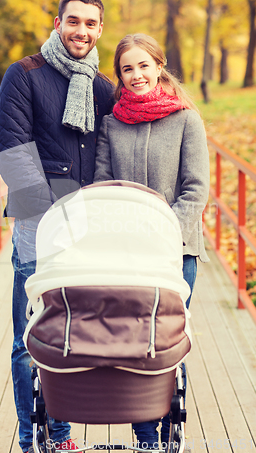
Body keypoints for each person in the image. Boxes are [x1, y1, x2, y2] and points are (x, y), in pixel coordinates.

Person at [0, 0, 115, 453]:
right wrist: (55, 216)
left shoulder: (103, 87)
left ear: (100, 29)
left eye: (90, 23)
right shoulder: (24, 75)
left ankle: (61, 436)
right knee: (31, 337)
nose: (81, 31)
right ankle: (32, 440)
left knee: (74, 332)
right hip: (37, 224)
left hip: (89, 224)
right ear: (58, 22)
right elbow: (13, 153)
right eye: (73, 21)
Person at [94, 33, 210, 449]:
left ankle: (168, 431)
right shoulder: (112, 122)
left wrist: (161, 237)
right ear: (120, 77)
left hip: (176, 252)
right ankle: (145, 437)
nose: (137, 75)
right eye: (127, 69)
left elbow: (195, 191)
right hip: (126, 254)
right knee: (132, 345)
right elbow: (103, 184)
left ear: (159, 66)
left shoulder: (185, 119)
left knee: (165, 346)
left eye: (144, 65)